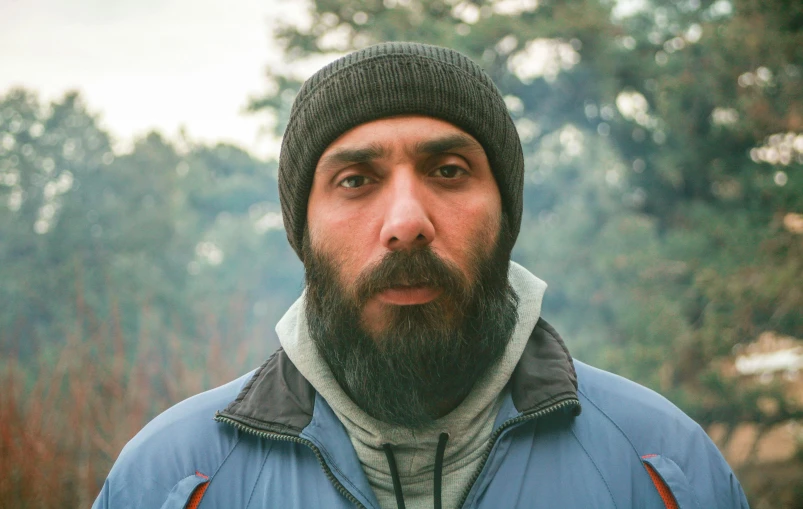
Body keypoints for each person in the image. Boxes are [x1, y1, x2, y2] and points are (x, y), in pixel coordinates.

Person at [93, 42, 748, 509]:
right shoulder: (171, 480)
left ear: (505, 217)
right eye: (355, 180)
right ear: (302, 233)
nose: (405, 222)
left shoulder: (663, 467)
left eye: (447, 171)